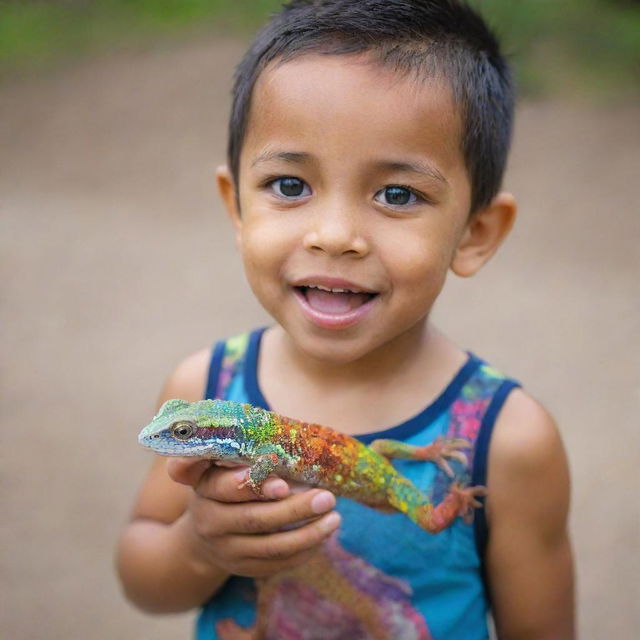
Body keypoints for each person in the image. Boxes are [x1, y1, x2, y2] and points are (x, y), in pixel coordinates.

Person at [116, 1, 574, 638]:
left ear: (475, 234)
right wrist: (199, 545)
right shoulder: (204, 385)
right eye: (289, 185)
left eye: (398, 194)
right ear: (236, 207)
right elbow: (141, 572)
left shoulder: (508, 439)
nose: (335, 236)